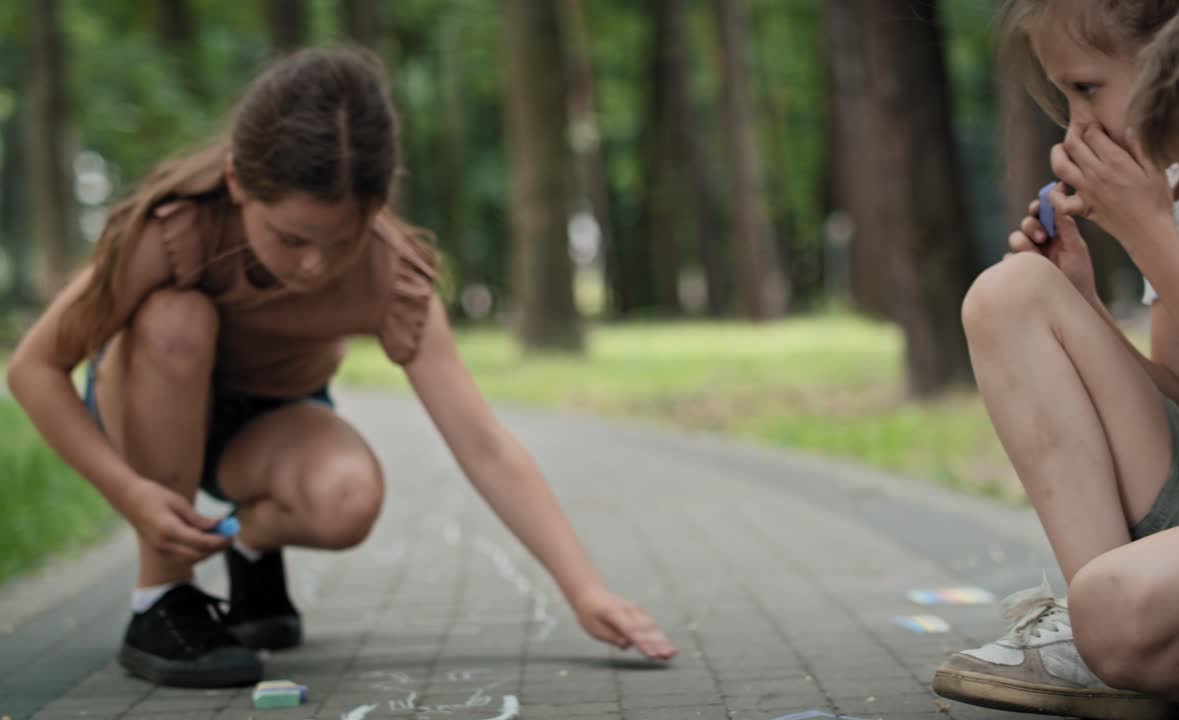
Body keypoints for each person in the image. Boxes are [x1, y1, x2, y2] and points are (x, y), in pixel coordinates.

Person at [5, 47, 676, 689]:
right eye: (290, 238)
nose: (313, 266)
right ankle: (163, 600)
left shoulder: (390, 274)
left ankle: (251, 546)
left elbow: (483, 444)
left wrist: (584, 589)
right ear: (238, 182)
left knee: (348, 498)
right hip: (144, 402)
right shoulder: (176, 231)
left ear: (376, 208)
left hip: (263, 428)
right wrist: (128, 492)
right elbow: (34, 368)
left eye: (342, 241)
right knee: (177, 321)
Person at [931, 0, 1179, 716]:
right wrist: (1084, 302)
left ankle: (1114, 631)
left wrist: (1148, 231)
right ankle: (1095, 642)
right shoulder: (1175, 187)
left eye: (1087, 89)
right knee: (1010, 293)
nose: (1075, 128)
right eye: (1065, 97)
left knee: (1119, 611)